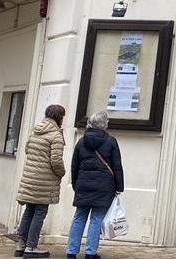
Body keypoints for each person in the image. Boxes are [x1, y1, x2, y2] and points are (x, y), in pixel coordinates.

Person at [7, 105, 67, 258]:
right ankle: (31, 247)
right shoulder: (55, 135)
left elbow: (27, 150)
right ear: (59, 117)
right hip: (44, 181)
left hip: (30, 178)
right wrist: (61, 173)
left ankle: (21, 244)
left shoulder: (35, 130)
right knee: (40, 212)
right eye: (62, 116)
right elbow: (56, 161)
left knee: (29, 210)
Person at [66, 111, 123, 259]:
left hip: (83, 185)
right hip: (104, 187)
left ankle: (71, 252)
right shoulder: (111, 141)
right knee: (97, 219)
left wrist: (75, 185)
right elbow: (117, 166)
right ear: (104, 124)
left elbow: (74, 166)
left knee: (79, 217)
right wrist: (119, 187)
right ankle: (90, 253)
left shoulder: (81, 141)